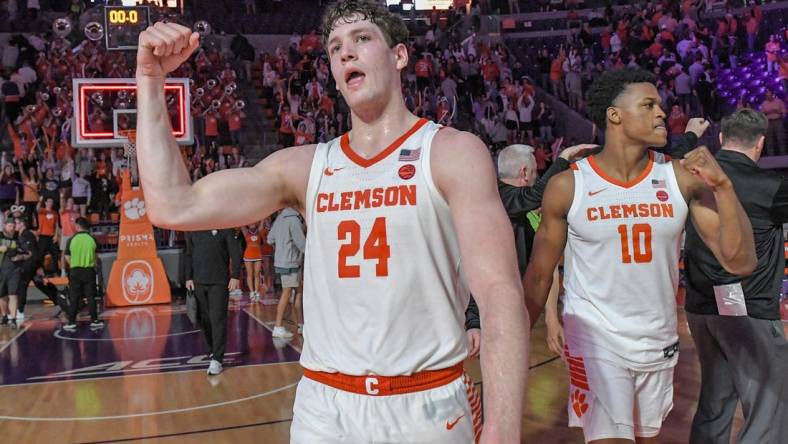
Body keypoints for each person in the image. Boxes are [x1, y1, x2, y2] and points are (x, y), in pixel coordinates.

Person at [135, 1, 528, 441]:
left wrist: (502, 426)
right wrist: (151, 83)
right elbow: (174, 206)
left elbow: (499, 295)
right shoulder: (306, 167)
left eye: (362, 39)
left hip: (426, 403)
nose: (346, 53)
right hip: (325, 406)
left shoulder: (452, 153)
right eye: (335, 47)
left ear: (399, 56)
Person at [523, 69, 756, 444]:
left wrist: (724, 187)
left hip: (657, 342)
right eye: (648, 105)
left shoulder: (679, 177)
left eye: (660, 105)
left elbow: (739, 262)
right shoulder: (569, 185)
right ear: (614, 115)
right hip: (594, 339)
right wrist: (515, 343)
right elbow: (539, 275)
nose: (663, 113)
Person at [683, 109, 788, 444]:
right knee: (768, 411)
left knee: (715, 401)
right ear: (759, 143)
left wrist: (687, 136)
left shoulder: (689, 177)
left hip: (700, 307)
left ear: (721, 139)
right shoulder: (771, 186)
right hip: (747, 310)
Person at [184, 229, 241, 376]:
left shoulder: (224, 228)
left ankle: (217, 358)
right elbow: (189, 253)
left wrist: (235, 275)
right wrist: (188, 277)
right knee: (205, 319)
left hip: (219, 282)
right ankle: (212, 349)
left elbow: (235, 251)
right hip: (198, 282)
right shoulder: (193, 229)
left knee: (218, 319)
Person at [267, 208, 305, 339]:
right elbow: (302, 244)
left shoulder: (279, 219)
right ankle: (278, 326)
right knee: (288, 292)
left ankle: (301, 324)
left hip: (282, 261)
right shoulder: (294, 220)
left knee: (298, 291)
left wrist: (281, 245)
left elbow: (269, 239)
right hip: (290, 261)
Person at [62, 217, 102, 331]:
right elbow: (96, 256)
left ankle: (71, 321)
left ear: (77, 226)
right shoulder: (92, 239)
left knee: (74, 297)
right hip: (89, 271)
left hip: (75, 271)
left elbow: (67, 257)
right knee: (90, 296)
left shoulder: (71, 239)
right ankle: (94, 320)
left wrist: (74, 263)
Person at [0, 219, 30, 329]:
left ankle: (13, 318)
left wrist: (20, 257)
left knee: (13, 294)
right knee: (2, 295)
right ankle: (4, 316)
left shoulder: (18, 237)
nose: (12, 228)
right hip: (1, 270)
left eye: (13, 226)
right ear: (4, 226)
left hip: (14, 270)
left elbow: (28, 253)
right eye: (9, 226)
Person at [13, 217, 37, 325]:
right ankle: (65, 303)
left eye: (16, 223)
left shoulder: (27, 235)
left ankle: (20, 311)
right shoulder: (19, 235)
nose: (15, 225)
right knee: (43, 285)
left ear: (22, 224)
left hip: (29, 265)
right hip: (28, 265)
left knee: (22, 287)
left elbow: (30, 253)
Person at [242, 220, 265, 303]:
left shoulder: (258, 231)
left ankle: (257, 291)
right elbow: (241, 222)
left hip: (258, 254)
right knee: (250, 274)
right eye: (250, 222)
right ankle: (251, 292)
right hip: (248, 254)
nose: (252, 223)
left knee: (257, 274)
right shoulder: (246, 231)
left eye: (253, 222)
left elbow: (263, 221)